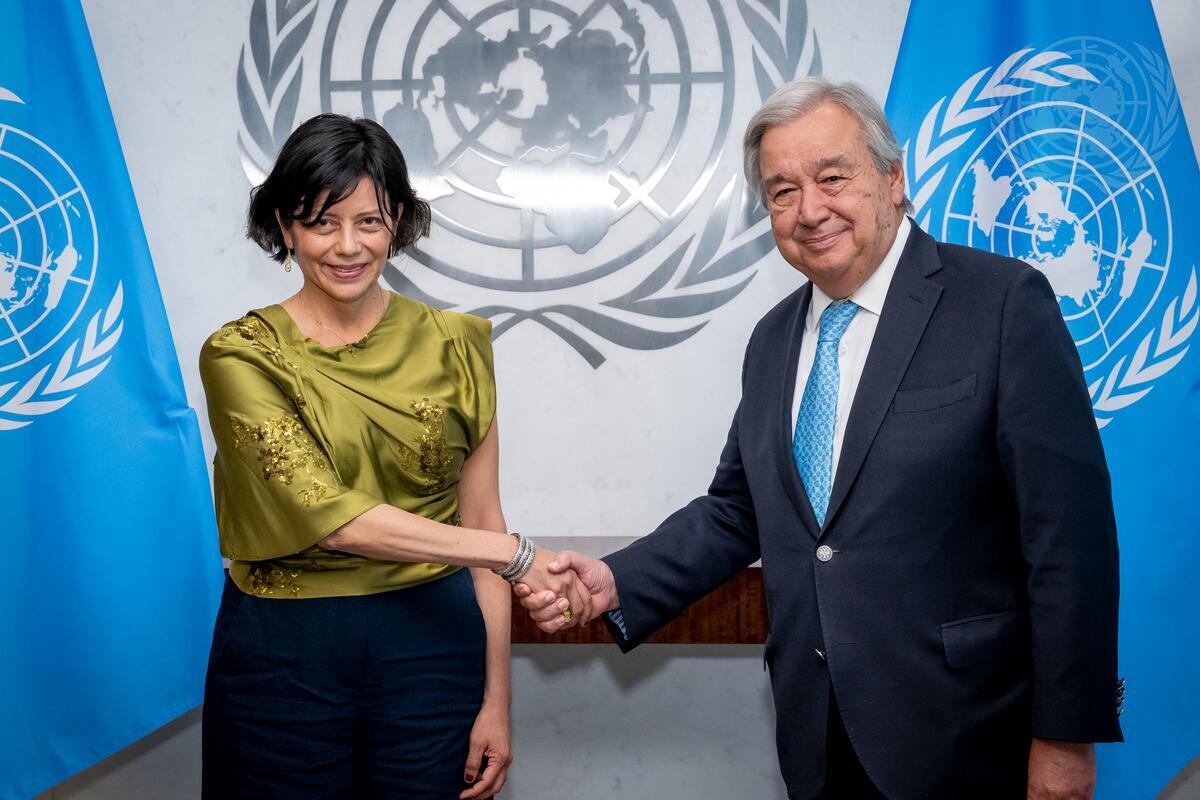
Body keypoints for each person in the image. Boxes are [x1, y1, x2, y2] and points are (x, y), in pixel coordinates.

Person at [517, 77, 1123, 799]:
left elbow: (1069, 539)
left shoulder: (1001, 304)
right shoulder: (772, 340)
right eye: (782, 191)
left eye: (832, 177)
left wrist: (1065, 736)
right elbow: (738, 509)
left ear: (893, 178)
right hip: (817, 736)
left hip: (970, 733)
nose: (809, 210)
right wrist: (618, 580)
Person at [199, 113, 588, 799]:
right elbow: (332, 519)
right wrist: (516, 555)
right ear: (285, 227)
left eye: (369, 221)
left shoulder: (458, 345)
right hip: (283, 651)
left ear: (398, 221)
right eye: (321, 222)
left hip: (434, 642)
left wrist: (497, 701)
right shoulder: (241, 355)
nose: (347, 246)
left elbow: (482, 517)